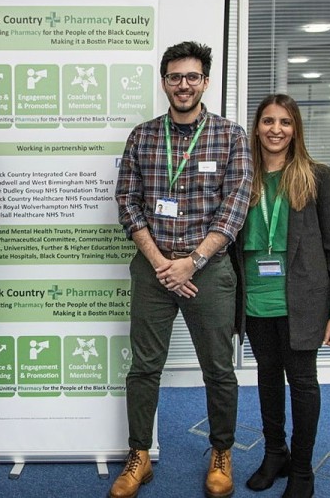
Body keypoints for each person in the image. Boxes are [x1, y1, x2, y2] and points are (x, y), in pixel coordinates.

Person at [112, 41, 252, 498]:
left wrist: (191, 263)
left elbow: (233, 210)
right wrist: (160, 263)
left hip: (207, 270)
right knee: (144, 368)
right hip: (153, 270)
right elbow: (127, 202)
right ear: (165, 82)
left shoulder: (230, 136)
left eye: (192, 76)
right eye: (175, 77)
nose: (183, 84)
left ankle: (222, 451)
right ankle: (139, 455)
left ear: (205, 82)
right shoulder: (143, 136)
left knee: (218, 369)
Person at [235, 94, 330, 498]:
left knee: (302, 382)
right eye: (268, 121)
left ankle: (301, 469)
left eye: (285, 122)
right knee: (267, 376)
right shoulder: (241, 176)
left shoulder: (317, 176)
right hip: (255, 297)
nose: (276, 129)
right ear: (257, 127)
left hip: (303, 298)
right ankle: (274, 454)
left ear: (295, 128)